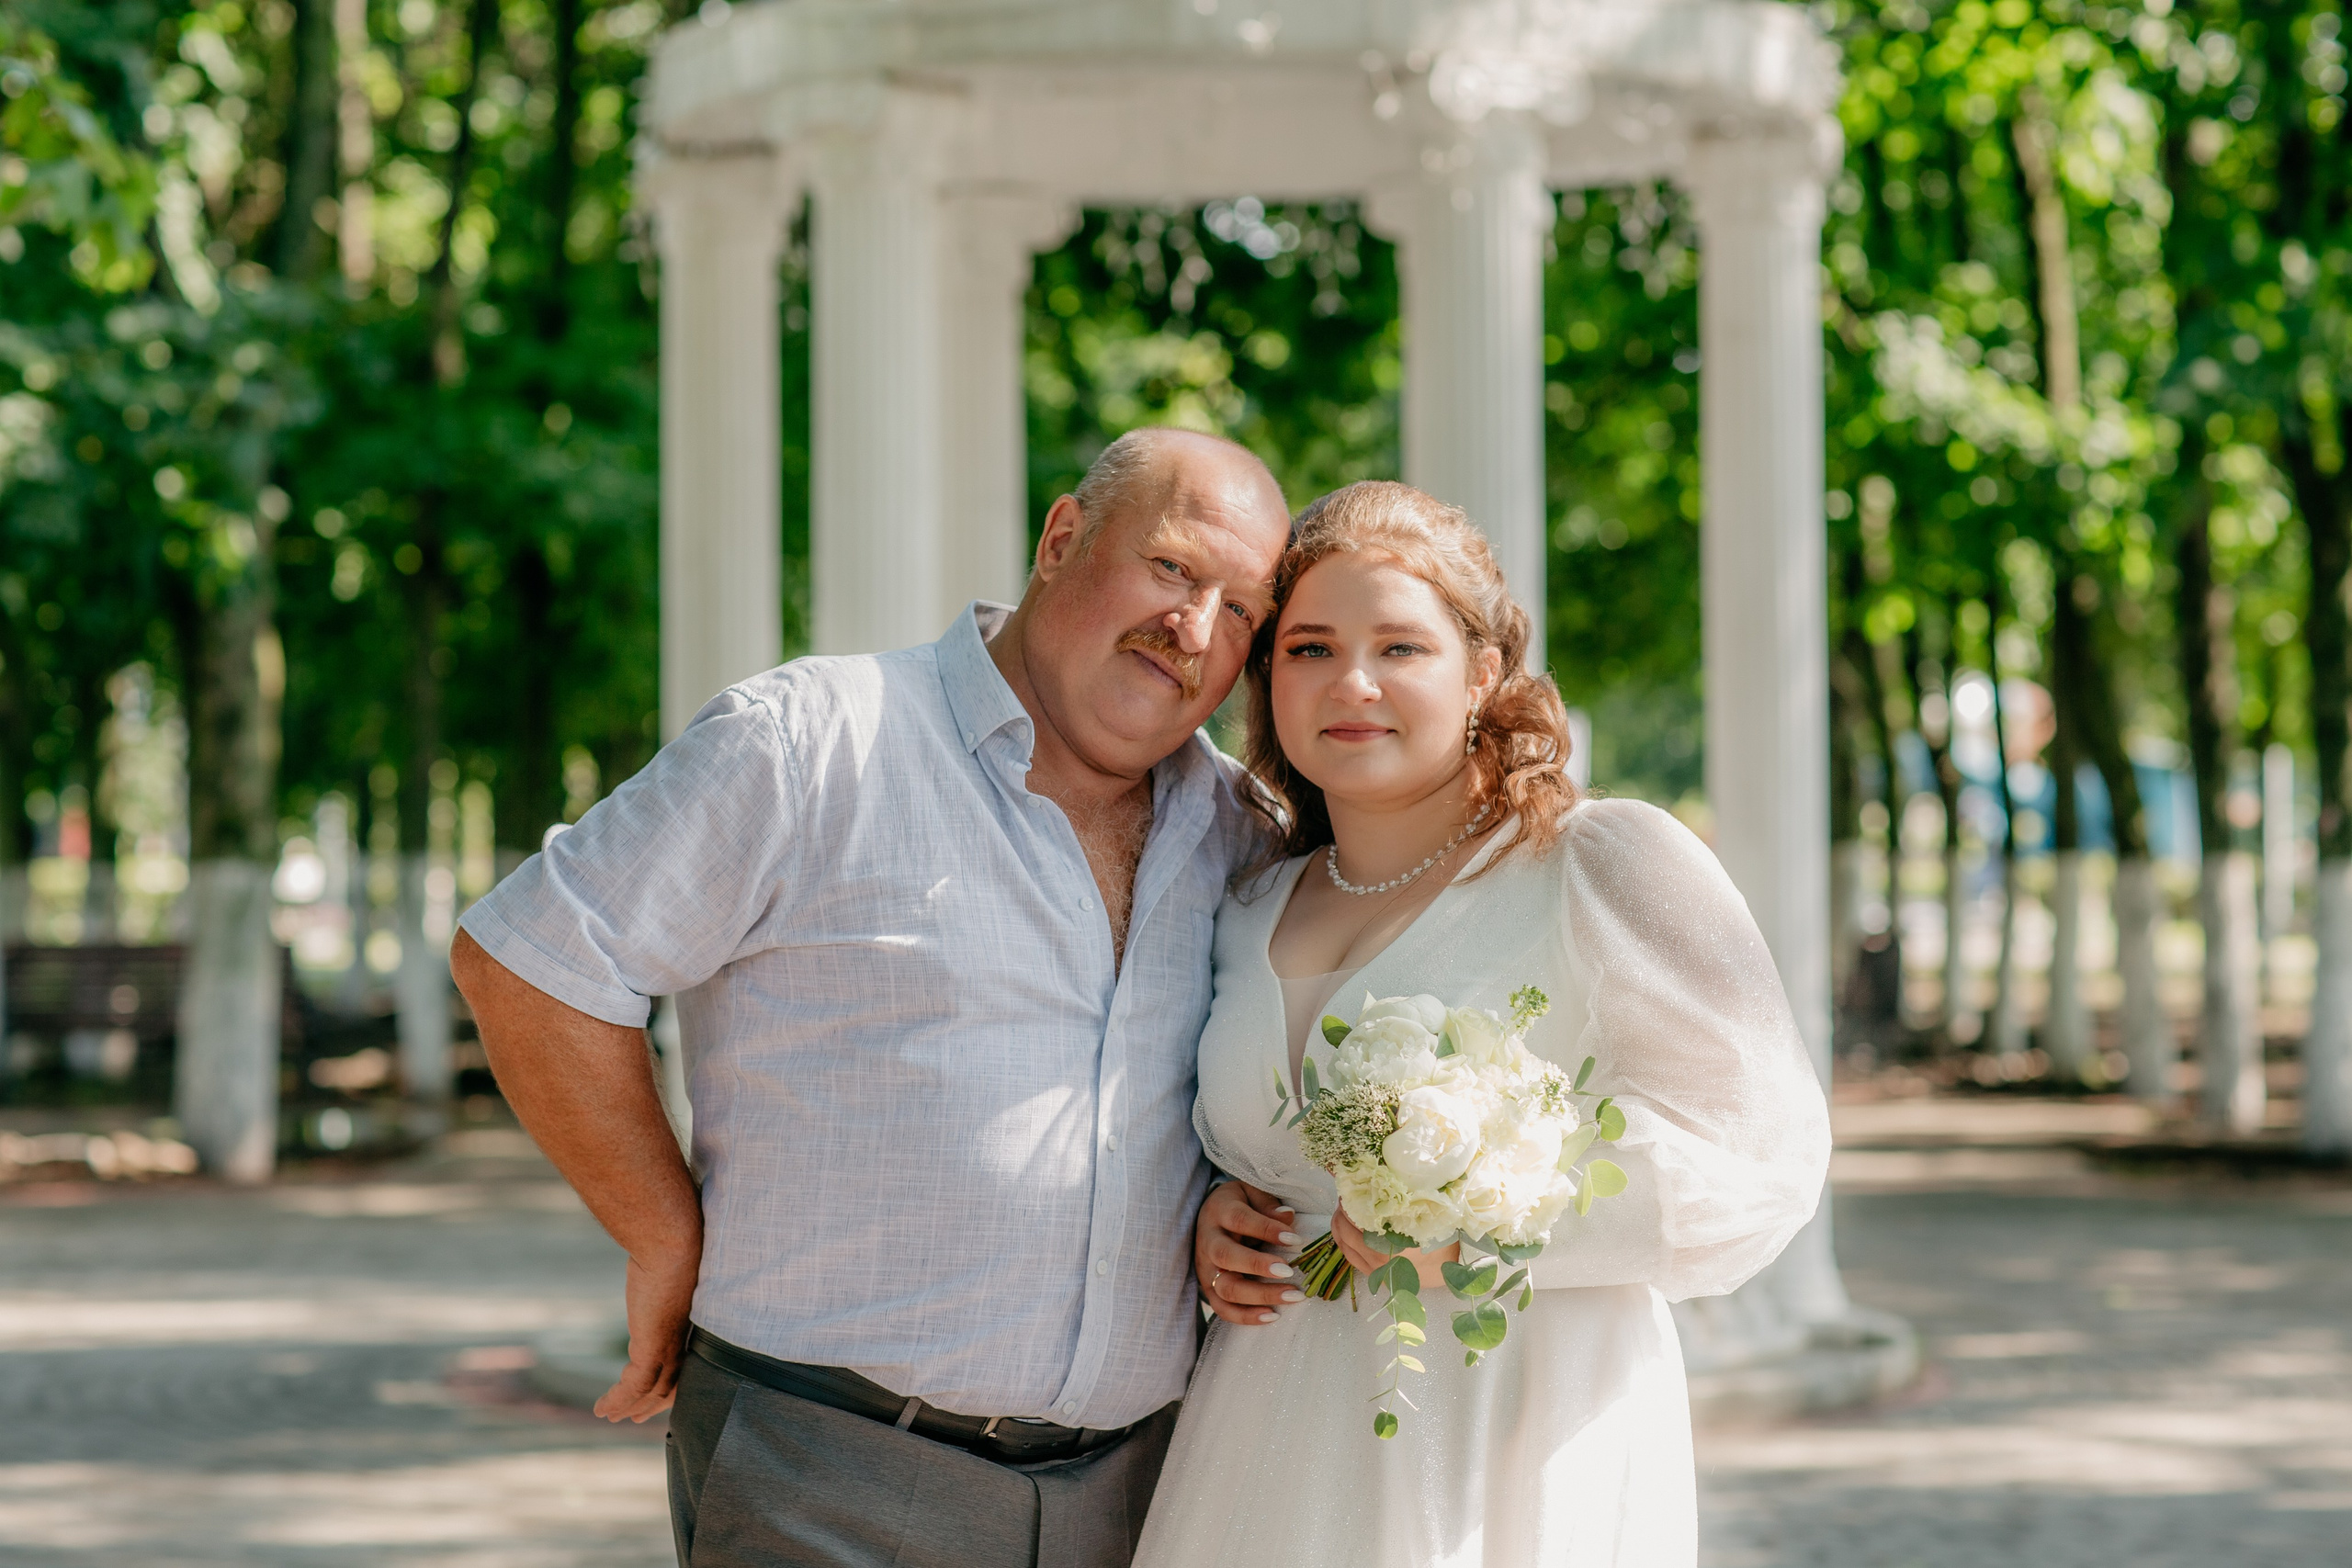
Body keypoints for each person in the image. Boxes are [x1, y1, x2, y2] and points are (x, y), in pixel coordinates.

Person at [449, 426, 1293, 1568]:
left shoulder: (1244, 836)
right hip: (828, 1468)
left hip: (1133, 1493)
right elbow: (531, 961)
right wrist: (659, 1231)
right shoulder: (815, 741)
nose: (1192, 628)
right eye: (1172, 569)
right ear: (1062, 538)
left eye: (1240, 612)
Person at [1155, 481, 1831, 1567]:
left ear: (1481, 671)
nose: (1352, 683)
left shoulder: (1594, 864)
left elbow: (1762, 1163)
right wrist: (1214, 1218)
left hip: (1513, 1417)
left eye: (1400, 648)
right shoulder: (1244, 903)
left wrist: (1487, 1231)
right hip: (1269, 1430)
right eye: (1310, 649)